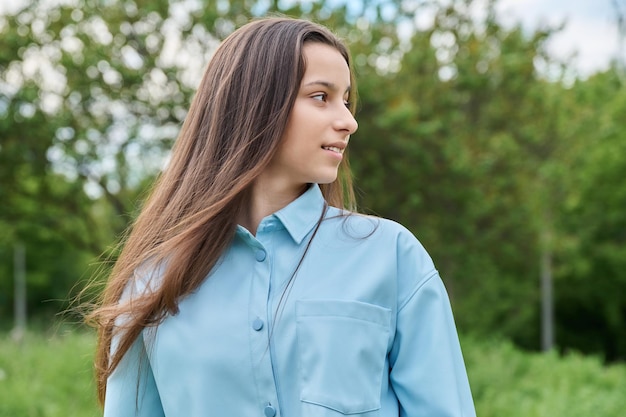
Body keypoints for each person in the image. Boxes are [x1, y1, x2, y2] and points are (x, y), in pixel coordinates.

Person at [90, 16, 476, 417]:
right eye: (321, 97)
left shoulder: (393, 257)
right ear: (254, 106)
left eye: (345, 99)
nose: (348, 121)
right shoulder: (153, 280)